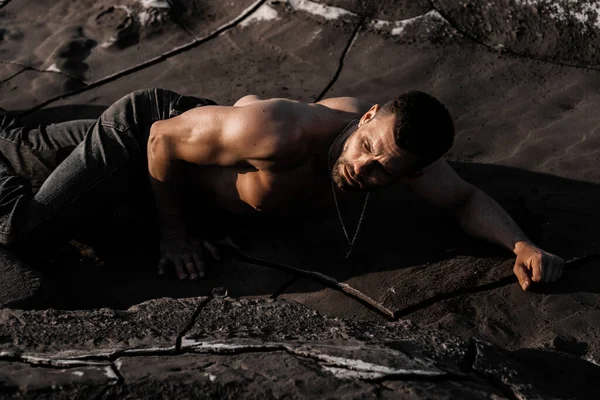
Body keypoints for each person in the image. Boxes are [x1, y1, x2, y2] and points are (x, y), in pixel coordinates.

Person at [0, 88, 563, 293]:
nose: (364, 170)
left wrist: (521, 246)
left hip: (184, 175)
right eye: (366, 148)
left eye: (385, 171)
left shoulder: (405, 159)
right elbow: (160, 140)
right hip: (142, 138)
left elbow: (465, 199)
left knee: (20, 142)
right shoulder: (278, 131)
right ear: (366, 117)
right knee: (26, 231)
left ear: (410, 174)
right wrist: (175, 235)